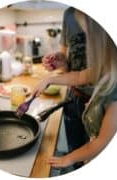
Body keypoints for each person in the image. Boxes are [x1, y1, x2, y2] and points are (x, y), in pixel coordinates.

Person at [33, 10, 117, 169]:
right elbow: (79, 77)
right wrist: (49, 80)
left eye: (89, 37)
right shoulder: (106, 66)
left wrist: (69, 158)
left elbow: (101, 142)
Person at [43, 7, 91, 169]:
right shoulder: (70, 14)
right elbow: (67, 63)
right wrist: (60, 61)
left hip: (101, 103)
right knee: (75, 156)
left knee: (92, 155)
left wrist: (51, 79)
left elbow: (97, 71)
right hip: (74, 98)